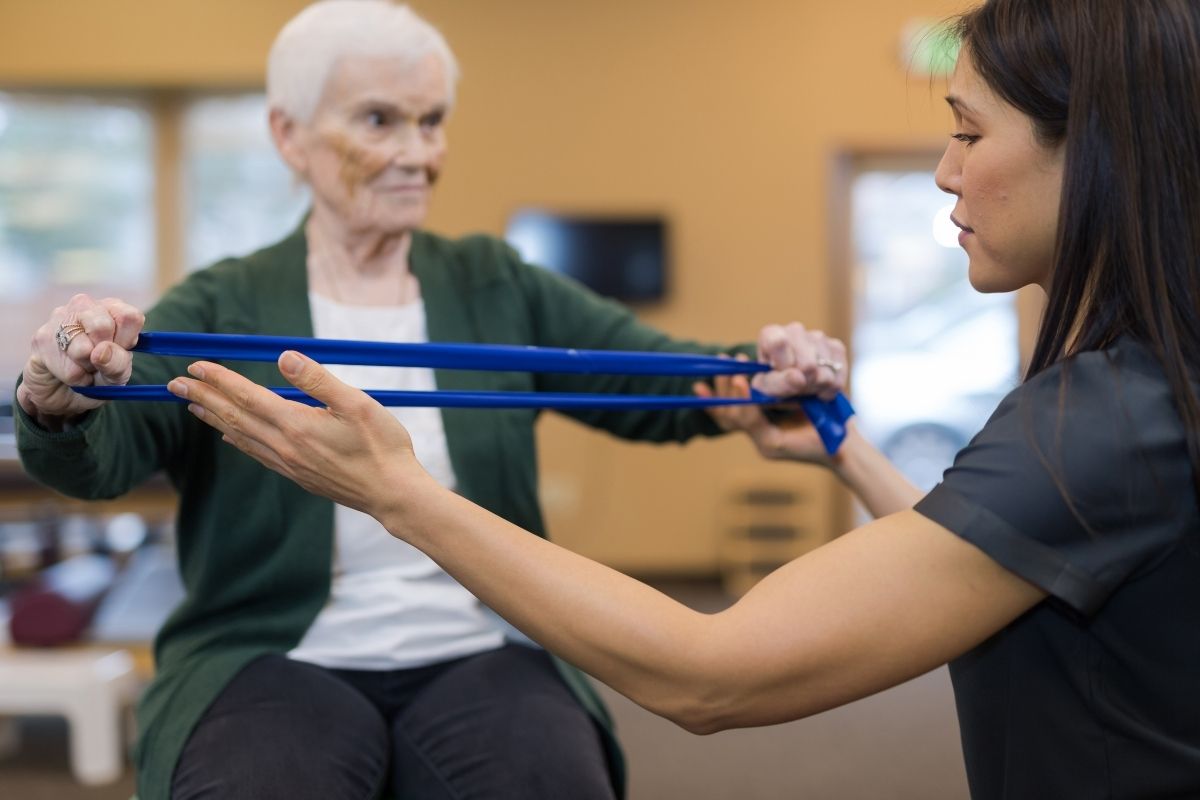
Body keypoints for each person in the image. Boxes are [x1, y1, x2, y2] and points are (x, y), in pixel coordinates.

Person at [168, 0, 1200, 797]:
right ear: (290, 136)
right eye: (379, 119)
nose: (943, 171)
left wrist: (395, 490)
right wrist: (846, 456)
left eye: (968, 134)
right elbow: (991, 554)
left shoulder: (1096, 420)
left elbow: (709, 671)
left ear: (1101, 149)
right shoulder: (1137, 393)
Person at [15, 3, 850, 798]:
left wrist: (761, 373)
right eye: (381, 120)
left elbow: (645, 376)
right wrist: (57, 399)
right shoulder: (222, 303)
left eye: (433, 120)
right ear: (289, 136)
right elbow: (109, 454)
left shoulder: (493, 280)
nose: (420, 151)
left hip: (480, 641)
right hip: (273, 654)